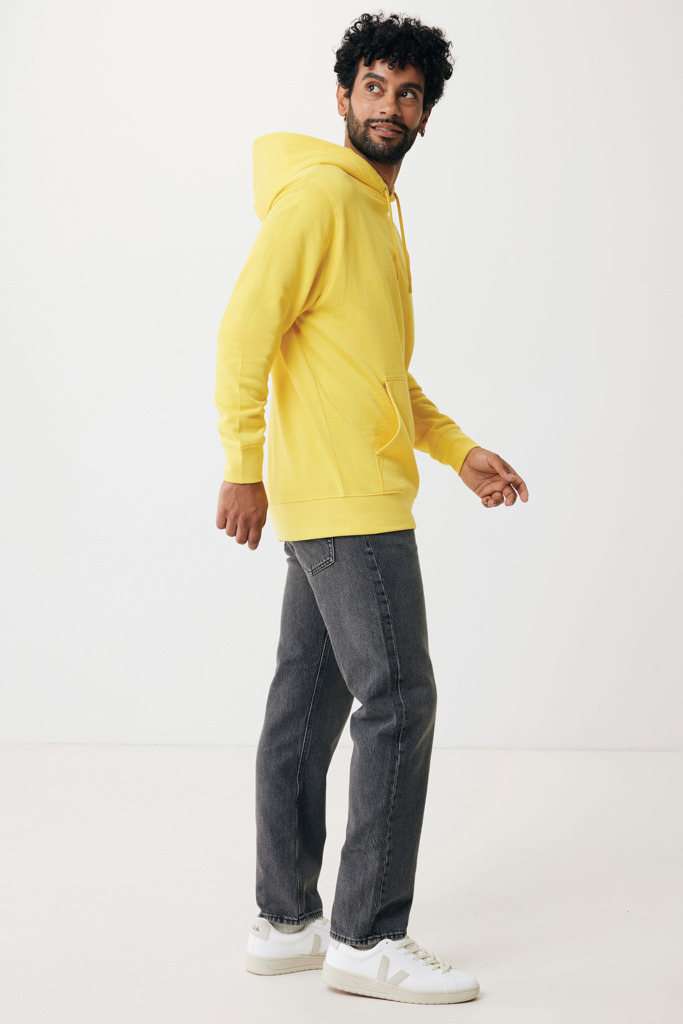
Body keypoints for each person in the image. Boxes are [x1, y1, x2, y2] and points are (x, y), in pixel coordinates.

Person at [214, 12, 528, 1005]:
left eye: (408, 93)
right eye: (374, 86)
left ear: (425, 114)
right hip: (346, 503)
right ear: (343, 96)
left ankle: (285, 923)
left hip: (336, 497)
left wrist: (458, 450)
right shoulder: (320, 201)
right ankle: (367, 936)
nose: (390, 104)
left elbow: (381, 378)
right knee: (399, 700)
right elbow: (242, 335)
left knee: (306, 708)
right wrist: (241, 466)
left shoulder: (373, 217)